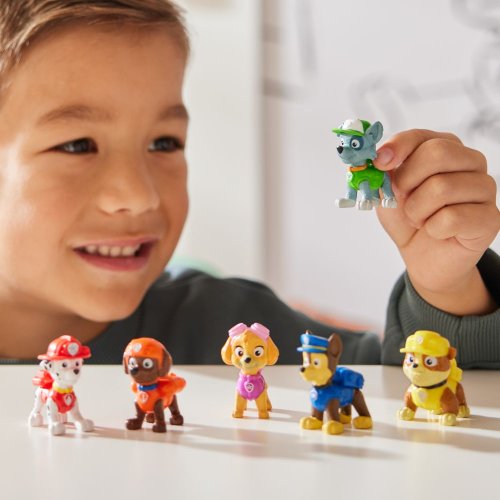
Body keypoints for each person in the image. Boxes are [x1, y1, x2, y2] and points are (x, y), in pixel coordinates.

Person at [0, 0, 497, 367]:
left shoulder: (236, 327)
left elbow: (412, 396)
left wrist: (447, 289)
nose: (139, 195)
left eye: (164, 143)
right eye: (77, 145)